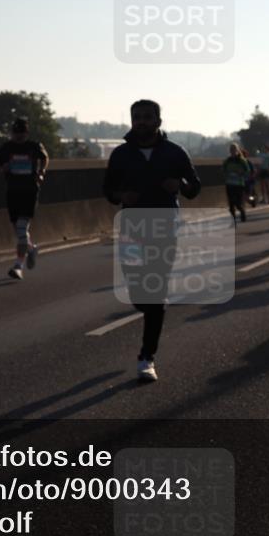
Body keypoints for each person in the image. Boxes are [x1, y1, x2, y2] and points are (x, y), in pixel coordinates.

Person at [103, 100, 200, 382]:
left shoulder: (174, 152)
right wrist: (121, 196)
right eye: (137, 117)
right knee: (138, 291)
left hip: (163, 228)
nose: (141, 121)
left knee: (154, 293)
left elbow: (195, 187)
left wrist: (179, 186)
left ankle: (147, 357)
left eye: (147, 117)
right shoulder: (121, 154)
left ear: (159, 120)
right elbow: (107, 189)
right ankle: (150, 304)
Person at [0, 118, 49, 280]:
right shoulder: (6, 148)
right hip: (12, 191)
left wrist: (41, 172)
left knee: (21, 228)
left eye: (21, 133)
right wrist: (3, 168)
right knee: (19, 231)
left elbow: (45, 158)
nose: (18, 136)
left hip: (29, 190)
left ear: (27, 133)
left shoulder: (34, 146)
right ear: (12, 133)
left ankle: (18, 266)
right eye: (16, 133)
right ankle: (31, 249)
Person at [222, 143, 252, 223]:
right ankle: (233, 219)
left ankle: (242, 212)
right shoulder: (227, 161)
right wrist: (227, 174)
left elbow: (247, 171)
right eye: (231, 150)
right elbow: (223, 170)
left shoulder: (242, 161)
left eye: (234, 150)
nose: (232, 151)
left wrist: (241, 173)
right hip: (229, 184)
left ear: (237, 150)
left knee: (238, 203)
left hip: (239, 184)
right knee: (231, 203)